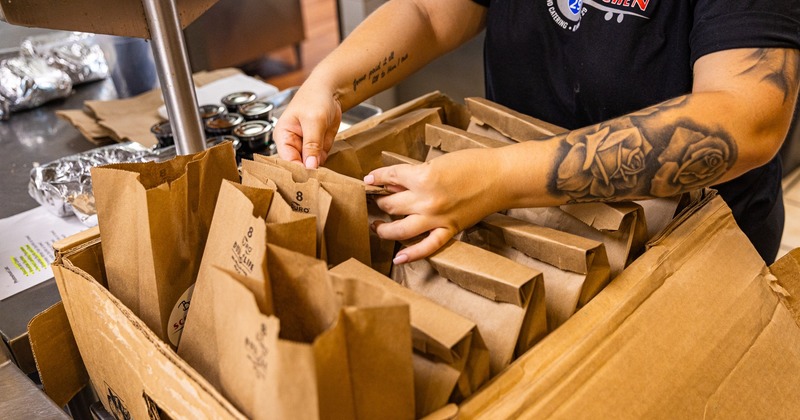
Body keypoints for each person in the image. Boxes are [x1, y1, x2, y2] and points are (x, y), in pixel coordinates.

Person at [274, 0, 800, 265]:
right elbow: (431, 12)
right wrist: (330, 82)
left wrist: (500, 175)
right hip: (517, 212)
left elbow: (745, 117)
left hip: (687, 244)